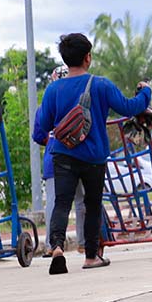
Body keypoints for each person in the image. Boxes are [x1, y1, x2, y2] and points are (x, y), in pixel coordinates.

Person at [33, 33, 152, 274]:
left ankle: (57, 247)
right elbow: (129, 107)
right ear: (88, 57)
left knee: (61, 203)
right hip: (93, 156)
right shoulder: (101, 85)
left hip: (63, 154)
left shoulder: (53, 89)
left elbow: (42, 125)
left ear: (65, 59)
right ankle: (90, 257)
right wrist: (145, 92)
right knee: (92, 205)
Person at [41, 66, 86, 258]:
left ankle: (52, 245)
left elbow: (38, 133)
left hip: (54, 159)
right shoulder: (79, 104)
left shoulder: (46, 105)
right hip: (79, 156)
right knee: (81, 201)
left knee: (54, 203)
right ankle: (84, 243)